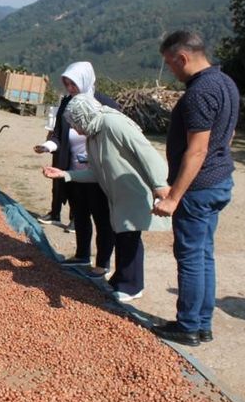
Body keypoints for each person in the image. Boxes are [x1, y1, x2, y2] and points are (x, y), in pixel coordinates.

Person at [151, 31, 239, 346]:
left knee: (189, 255)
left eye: (170, 63)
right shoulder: (226, 83)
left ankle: (188, 325)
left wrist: (174, 196)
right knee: (204, 254)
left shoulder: (200, 93)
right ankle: (202, 324)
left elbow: (197, 150)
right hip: (218, 180)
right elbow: (227, 136)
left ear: (183, 57)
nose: (171, 71)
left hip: (198, 188)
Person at [43, 94, 170, 302]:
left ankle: (132, 286)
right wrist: (65, 174)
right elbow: (96, 172)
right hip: (118, 193)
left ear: (83, 116)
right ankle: (121, 280)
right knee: (122, 235)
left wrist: (160, 186)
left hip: (133, 189)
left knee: (130, 237)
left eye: (75, 124)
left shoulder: (113, 123)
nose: (75, 129)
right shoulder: (94, 134)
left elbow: (147, 153)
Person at [34, 62, 118, 273]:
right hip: (71, 171)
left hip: (97, 174)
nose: (70, 89)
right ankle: (82, 255)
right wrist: (48, 146)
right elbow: (58, 133)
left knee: (102, 218)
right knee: (79, 214)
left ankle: (102, 264)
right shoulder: (66, 103)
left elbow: (113, 138)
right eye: (67, 84)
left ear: (85, 81)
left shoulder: (105, 104)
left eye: (73, 84)